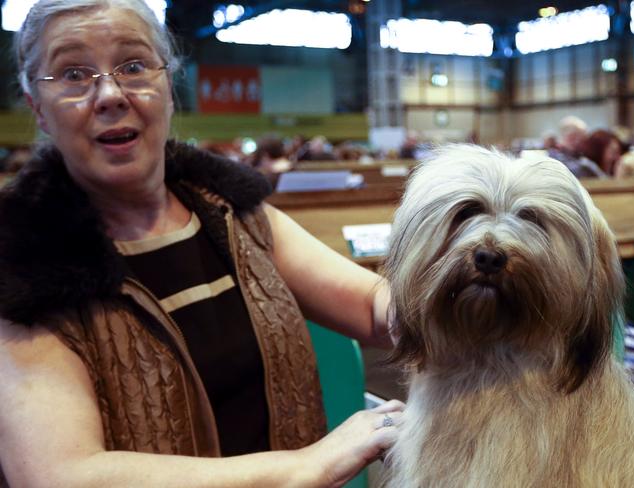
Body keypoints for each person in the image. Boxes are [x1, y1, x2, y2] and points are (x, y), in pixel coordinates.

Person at [0, 1, 404, 486]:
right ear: (37, 108)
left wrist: (487, 295)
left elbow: (371, 305)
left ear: (168, 85)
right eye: (72, 74)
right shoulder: (20, 267)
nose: (109, 94)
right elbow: (62, 474)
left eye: (132, 66)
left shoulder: (233, 213)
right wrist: (306, 467)